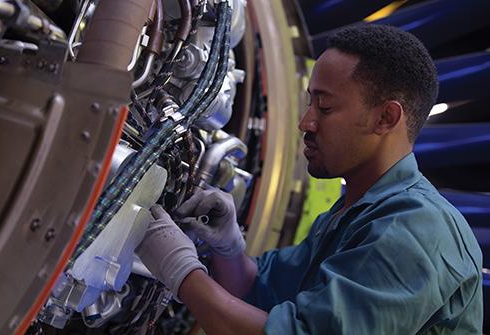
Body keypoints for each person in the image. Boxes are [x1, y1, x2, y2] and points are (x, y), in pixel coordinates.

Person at [135, 24, 483, 334]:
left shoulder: (416, 231)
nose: (306, 122)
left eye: (325, 108)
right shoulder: (354, 213)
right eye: (309, 104)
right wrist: (228, 247)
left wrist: (180, 271)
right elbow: (258, 291)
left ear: (386, 118)